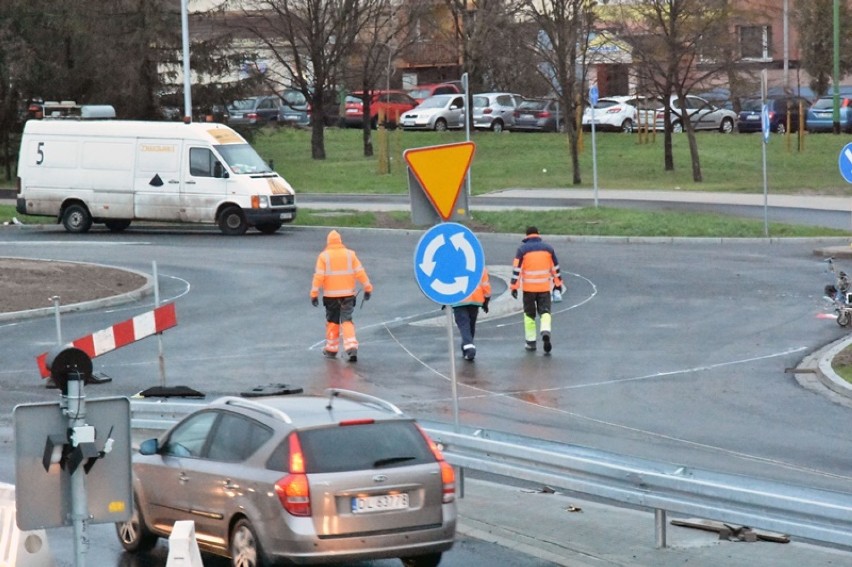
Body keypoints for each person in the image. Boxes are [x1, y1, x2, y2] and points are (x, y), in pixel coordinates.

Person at [310, 229, 373, 362]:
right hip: (348, 296)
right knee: (347, 320)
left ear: (328, 242)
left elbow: (318, 277)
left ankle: (331, 349)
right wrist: (367, 288)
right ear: (340, 242)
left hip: (331, 297)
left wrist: (314, 293)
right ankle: (351, 348)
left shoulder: (324, 256)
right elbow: (360, 272)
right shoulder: (350, 255)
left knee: (332, 322)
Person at [510, 226, 564, 354]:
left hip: (529, 289)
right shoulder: (548, 249)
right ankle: (545, 331)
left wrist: (514, 287)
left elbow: (517, 269)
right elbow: (555, 268)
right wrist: (558, 284)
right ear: (538, 234)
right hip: (544, 288)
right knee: (545, 312)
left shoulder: (522, 250)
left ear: (526, 236)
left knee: (529, 315)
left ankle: (531, 342)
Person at [452, 268, 491, 361]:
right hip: (475, 299)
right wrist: (486, 301)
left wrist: (445, 300)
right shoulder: (479, 264)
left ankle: (469, 348)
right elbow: (485, 285)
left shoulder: (453, 264)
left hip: (459, 299)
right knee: (470, 325)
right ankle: (467, 347)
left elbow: (446, 283)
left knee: (464, 325)